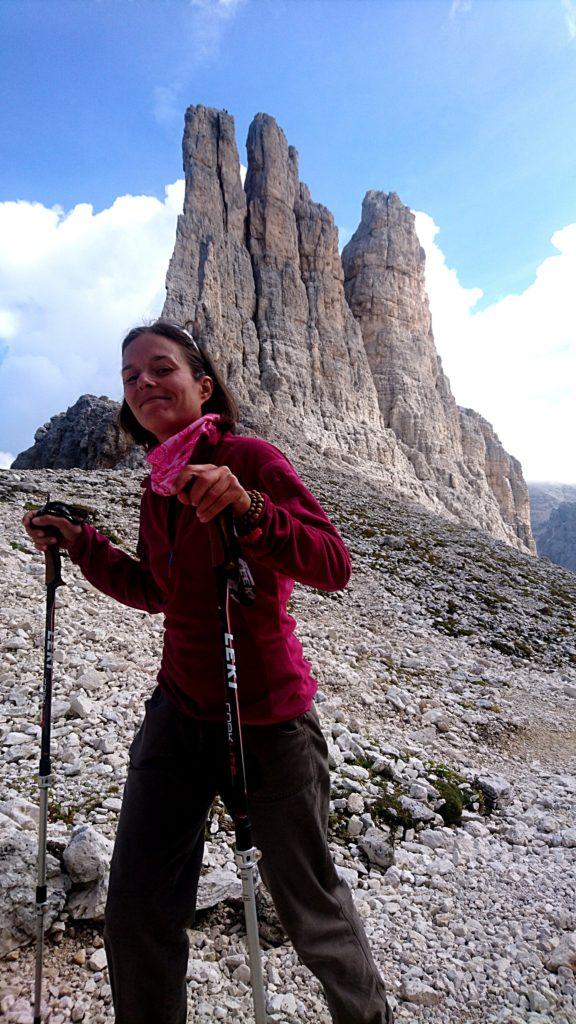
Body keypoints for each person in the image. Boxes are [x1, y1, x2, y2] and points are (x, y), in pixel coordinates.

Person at [24, 320, 394, 1024]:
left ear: (203, 383)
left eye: (160, 368)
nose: (143, 384)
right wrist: (82, 544)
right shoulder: (157, 487)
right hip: (179, 714)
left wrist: (251, 509)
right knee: (137, 907)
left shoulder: (249, 457)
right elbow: (158, 593)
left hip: (272, 722)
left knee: (310, 906)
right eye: (130, 378)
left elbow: (332, 563)